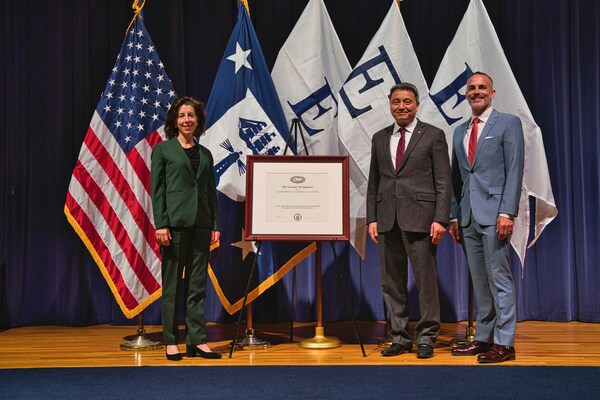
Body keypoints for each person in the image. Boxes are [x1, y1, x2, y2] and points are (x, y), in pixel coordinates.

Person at [367, 83, 451, 359]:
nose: (401, 107)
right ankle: (400, 337)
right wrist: (372, 218)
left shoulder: (433, 135)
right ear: (389, 105)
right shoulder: (379, 138)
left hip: (422, 220)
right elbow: (374, 182)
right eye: (395, 102)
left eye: (407, 102)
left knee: (425, 282)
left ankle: (426, 337)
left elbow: (443, 181)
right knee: (391, 283)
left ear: (417, 104)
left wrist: (441, 218)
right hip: (387, 219)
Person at [449, 72, 524, 363]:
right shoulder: (459, 131)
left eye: (482, 87)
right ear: (466, 94)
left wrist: (507, 211)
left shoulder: (508, 123)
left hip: (495, 215)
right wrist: (454, 216)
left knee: (499, 279)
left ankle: (505, 342)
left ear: (492, 93)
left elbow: (514, 169)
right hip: (468, 216)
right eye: (471, 88)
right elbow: (458, 178)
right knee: (480, 281)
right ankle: (483, 337)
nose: (476, 92)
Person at [151, 96, 221, 361]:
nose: (186, 120)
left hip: (202, 226)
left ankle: (197, 341)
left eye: (191, 115)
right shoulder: (163, 150)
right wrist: (162, 224)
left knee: (197, 287)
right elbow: (157, 191)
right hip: (174, 227)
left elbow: (209, 193)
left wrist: (215, 224)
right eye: (181, 116)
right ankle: (171, 341)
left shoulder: (205, 154)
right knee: (172, 286)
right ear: (175, 121)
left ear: (198, 120)